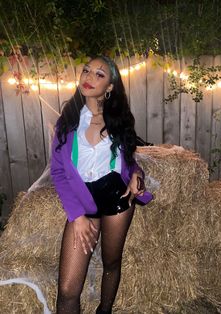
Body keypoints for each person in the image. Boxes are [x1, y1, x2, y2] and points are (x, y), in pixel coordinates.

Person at [50, 55, 153, 314]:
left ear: (110, 87)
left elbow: (128, 162)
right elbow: (59, 172)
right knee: (67, 291)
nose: (89, 77)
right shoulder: (68, 121)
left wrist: (136, 176)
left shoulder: (119, 120)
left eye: (99, 74)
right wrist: (78, 216)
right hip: (83, 203)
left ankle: (104, 310)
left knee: (111, 262)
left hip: (117, 198)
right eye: (86, 71)